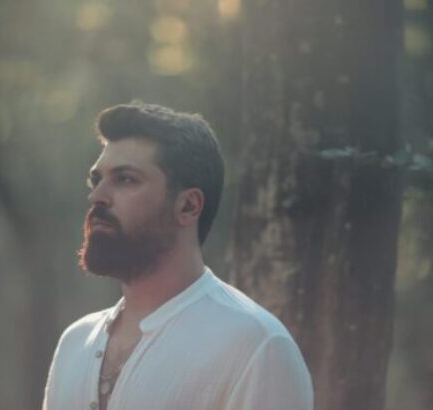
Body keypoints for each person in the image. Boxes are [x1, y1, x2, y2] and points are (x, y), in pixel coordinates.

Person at [42, 102, 314, 410]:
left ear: (188, 206)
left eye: (125, 179)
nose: (97, 196)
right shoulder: (75, 343)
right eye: (96, 180)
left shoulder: (256, 346)